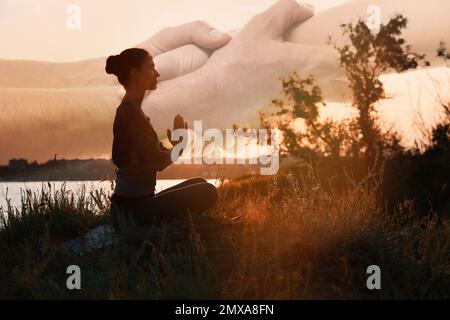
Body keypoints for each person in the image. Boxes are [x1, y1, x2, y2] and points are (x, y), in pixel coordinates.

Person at [105, 48, 218, 230]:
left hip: (135, 206)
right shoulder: (129, 114)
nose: (157, 73)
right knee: (208, 192)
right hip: (132, 212)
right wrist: (180, 146)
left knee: (200, 183)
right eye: (151, 68)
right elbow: (156, 161)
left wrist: (174, 145)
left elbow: (152, 154)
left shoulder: (134, 112)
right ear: (134, 73)